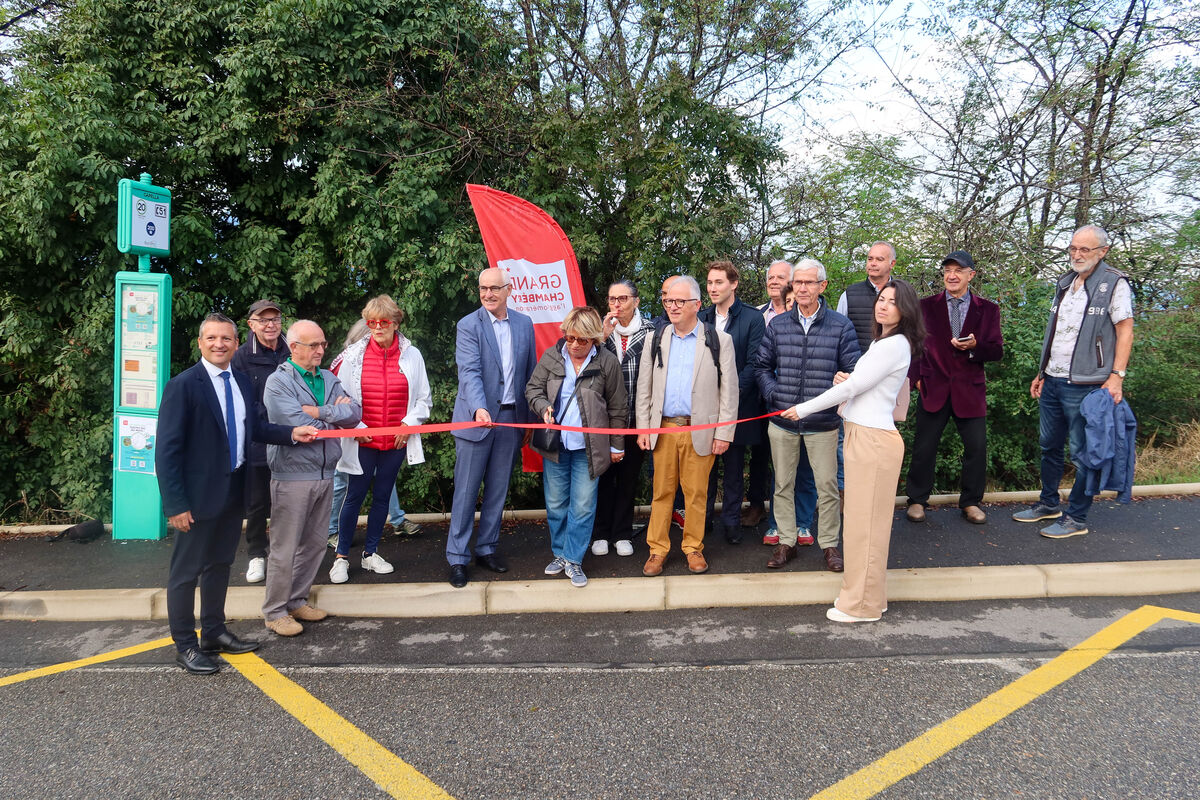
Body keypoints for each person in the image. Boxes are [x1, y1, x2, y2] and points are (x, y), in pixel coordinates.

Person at [156, 314, 317, 674]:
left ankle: (213, 632)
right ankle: (185, 645)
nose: (219, 344)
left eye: (226, 339)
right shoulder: (183, 386)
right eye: (212, 338)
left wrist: (292, 434)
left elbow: (255, 427)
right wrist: (175, 504)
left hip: (233, 491)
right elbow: (166, 451)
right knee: (185, 573)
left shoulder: (241, 381)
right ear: (200, 343)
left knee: (220, 565)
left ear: (235, 342)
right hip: (196, 500)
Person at [782, 279, 926, 623]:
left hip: (873, 441)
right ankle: (871, 596)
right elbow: (862, 386)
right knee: (865, 525)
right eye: (881, 299)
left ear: (904, 310)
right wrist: (846, 383)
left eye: (892, 302)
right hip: (865, 436)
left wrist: (803, 408)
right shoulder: (885, 342)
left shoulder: (894, 345)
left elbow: (859, 386)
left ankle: (861, 606)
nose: (883, 305)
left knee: (866, 528)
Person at [1013, 225, 1133, 539]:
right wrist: (1041, 372)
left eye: (1085, 250)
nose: (1077, 255)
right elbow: (1056, 333)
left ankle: (1076, 517)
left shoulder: (1113, 283)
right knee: (1049, 447)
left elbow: (1125, 331)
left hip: (1087, 384)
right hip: (1053, 379)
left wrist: (1116, 377)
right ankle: (1048, 504)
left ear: (1102, 252)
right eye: (1073, 249)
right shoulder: (1066, 282)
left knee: (1084, 452)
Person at [756, 259, 860, 572]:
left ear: (822, 286)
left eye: (809, 283)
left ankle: (829, 545)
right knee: (782, 485)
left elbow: (853, 371)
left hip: (823, 423)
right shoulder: (778, 325)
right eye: (797, 283)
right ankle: (786, 541)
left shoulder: (841, 326)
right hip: (783, 421)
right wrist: (775, 396)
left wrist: (844, 380)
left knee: (826, 487)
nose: (802, 288)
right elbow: (762, 367)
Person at [261, 320, 361, 636]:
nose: (321, 350)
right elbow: (296, 423)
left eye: (322, 343)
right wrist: (331, 412)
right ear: (294, 348)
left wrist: (318, 412)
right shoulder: (278, 382)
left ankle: (296, 600)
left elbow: (355, 414)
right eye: (313, 345)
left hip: (326, 472)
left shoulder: (329, 377)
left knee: (315, 544)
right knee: (285, 546)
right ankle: (274, 611)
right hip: (292, 475)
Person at [635, 275, 738, 576]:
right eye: (668, 300)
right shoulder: (656, 338)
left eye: (680, 301)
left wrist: (724, 433)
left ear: (697, 304)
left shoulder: (719, 341)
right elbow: (645, 387)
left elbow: (730, 391)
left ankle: (693, 548)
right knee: (661, 492)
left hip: (700, 430)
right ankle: (657, 550)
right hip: (663, 429)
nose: (672, 306)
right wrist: (643, 428)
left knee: (696, 494)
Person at [330, 295, 432, 583]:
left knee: (383, 498)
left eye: (383, 322)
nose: (376, 327)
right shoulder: (352, 356)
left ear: (396, 323)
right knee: (354, 497)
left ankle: (370, 554)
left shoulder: (412, 355)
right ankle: (340, 558)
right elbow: (341, 399)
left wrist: (408, 425)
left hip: (395, 443)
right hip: (363, 441)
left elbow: (424, 400)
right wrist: (359, 426)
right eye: (371, 322)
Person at [446, 267, 537, 587]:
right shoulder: (468, 325)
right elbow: (468, 372)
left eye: (494, 288)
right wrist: (480, 408)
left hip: (511, 421)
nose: (488, 294)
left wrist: (529, 419)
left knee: (498, 491)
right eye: (483, 288)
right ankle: (457, 558)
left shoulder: (525, 324)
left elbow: (530, 374)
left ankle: (486, 548)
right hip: (476, 420)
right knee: (466, 493)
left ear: (508, 290)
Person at [527, 308, 628, 587]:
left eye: (581, 340)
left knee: (582, 506)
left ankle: (573, 559)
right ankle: (559, 553)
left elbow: (619, 408)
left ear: (594, 338)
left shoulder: (607, 362)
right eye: (569, 337)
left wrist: (617, 445)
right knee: (556, 505)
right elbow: (532, 389)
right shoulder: (552, 356)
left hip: (589, 449)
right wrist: (542, 406)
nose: (573, 344)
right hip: (555, 446)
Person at [905, 250, 1004, 525]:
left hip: (969, 391)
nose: (951, 275)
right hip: (932, 387)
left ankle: (971, 502)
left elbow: (996, 351)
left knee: (976, 448)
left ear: (970, 275)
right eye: (948, 270)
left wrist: (975, 347)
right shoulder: (925, 306)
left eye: (958, 271)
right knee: (924, 447)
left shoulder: (988, 309)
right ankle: (916, 500)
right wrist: (916, 378)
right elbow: (913, 345)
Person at [326, 321, 421, 549]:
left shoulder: (407, 355)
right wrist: (353, 425)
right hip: (350, 434)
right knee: (342, 483)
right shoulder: (347, 359)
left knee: (384, 482)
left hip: (381, 437)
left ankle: (396, 520)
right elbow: (335, 398)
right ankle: (331, 531)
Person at [698, 260, 765, 544]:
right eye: (710, 283)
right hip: (703, 406)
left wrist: (728, 392)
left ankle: (731, 524)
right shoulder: (701, 317)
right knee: (704, 468)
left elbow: (755, 363)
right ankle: (702, 524)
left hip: (738, 406)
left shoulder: (752, 318)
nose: (713, 288)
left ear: (734, 284)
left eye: (719, 283)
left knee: (735, 469)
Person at [230, 299, 290, 584]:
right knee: (257, 503)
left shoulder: (295, 349)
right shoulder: (240, 357)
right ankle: (257, 554)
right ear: (251, 324)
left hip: (292, 439)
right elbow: (243, 401)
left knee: (287, 502)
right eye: (264, 320)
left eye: (275, 319)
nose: (270, 325)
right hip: (259, 440)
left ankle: (283, 555)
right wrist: (267, 424)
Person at [592, 279, 650, 557]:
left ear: (636, 302)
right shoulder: (598, 333)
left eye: (623, 298)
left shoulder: (652, 331)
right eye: (612, 298)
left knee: (628, 478)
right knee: (604, 477)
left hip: (637, 419)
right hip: (603, 420)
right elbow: (584, 365)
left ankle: (622, 533)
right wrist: (601, 337)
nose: (616, 304)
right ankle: (601, 532)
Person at [838, 241, 897, 353]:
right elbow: (838, 334)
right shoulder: (849, 294)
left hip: (893, 364)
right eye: (870, 259)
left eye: (879, 259)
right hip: (856, 366)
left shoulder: (902, 294)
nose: (873, 263)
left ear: (892, 264)